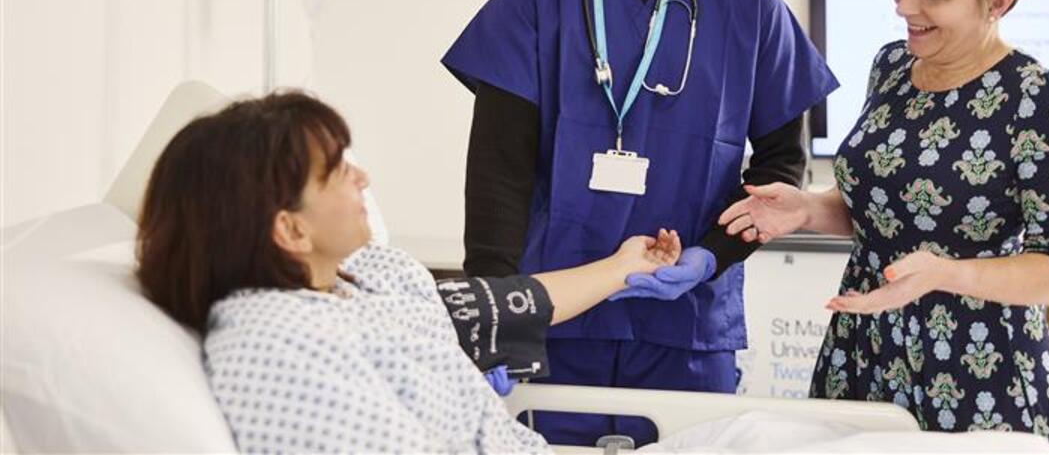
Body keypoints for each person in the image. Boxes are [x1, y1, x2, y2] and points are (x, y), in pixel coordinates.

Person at [442, 0, 838, 446]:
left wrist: (711, 256)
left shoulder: (748, 4)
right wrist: (495, 314)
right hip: (557, 313)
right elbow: (497, 171)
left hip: (686, 326)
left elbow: (780, 168)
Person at [719, 0, 1049, 454]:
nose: (904, 5)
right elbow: (884, 211)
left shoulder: (1041, 101)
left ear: (997, 1)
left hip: (978, 374)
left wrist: (948, 273)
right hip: (863, 354)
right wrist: (807, 208)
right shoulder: (894, 68)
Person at [135, 91, 682, 455]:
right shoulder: (274, 344)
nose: (363, 179)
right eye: (339, 172)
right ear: (291, 231)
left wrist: (623, 267)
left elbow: (499, 307)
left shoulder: (357, 280)